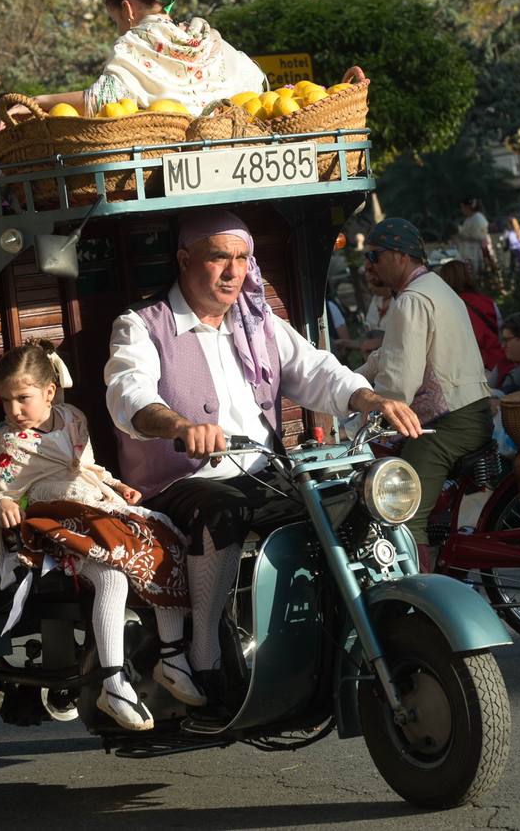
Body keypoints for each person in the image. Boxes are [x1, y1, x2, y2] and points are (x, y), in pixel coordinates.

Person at [104, 209, 420, 728]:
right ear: (185, 261)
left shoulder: (258, 321)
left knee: (344, 504)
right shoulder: (142, 325)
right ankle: (204, 660)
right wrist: (177, 424)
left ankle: (324, 639)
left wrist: (369, 398)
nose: (233, 272)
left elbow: (318, 371)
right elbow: (129, 392)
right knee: (221, 510)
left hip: (262, 471)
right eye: (218, 258)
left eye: (242, 259)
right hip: (180, 480)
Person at [0, 341, 198, 731]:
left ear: (49, 392)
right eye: (7, 401)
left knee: (162, 543)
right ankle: (113, 684)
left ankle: (173, 657)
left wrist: (116, 485)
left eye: (23, 399)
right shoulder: (9, 440)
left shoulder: (73, 418)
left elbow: (89, 468)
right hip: (54, 522)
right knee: (109, 575)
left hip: (93, 505)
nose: (13, 411)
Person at [358, 218, 493, 549]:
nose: (368, 265)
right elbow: (390, 355)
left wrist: (369, 414)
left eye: (375, 255)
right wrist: (348, 380)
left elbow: (398, 383)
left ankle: (416, 597)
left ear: (401, 256)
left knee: (402, 515)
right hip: (472, 413)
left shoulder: (412, 300)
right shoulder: (435, 288)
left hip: (449, 424)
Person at [31, 0, 267, 118]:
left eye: (115, 20)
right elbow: (256, 79)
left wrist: (38, 102)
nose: (119, 28)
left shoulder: (136, 44)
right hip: (234, 140)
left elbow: (101, 100)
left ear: (127, 9)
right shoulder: (205, 38)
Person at [437, 259, 508, 380]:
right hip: (494, 365)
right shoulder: (488, 302)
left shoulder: (443, 306)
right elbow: (502, 334)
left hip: (464, 372)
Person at [455, 197, 494, 275]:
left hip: (476, 252)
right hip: (468, 252)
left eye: (463, 207)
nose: (462, 210)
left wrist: (464, 237)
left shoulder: (478, 218)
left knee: (476, 274)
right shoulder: (468, 219)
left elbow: (480, 236)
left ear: (468, 207)